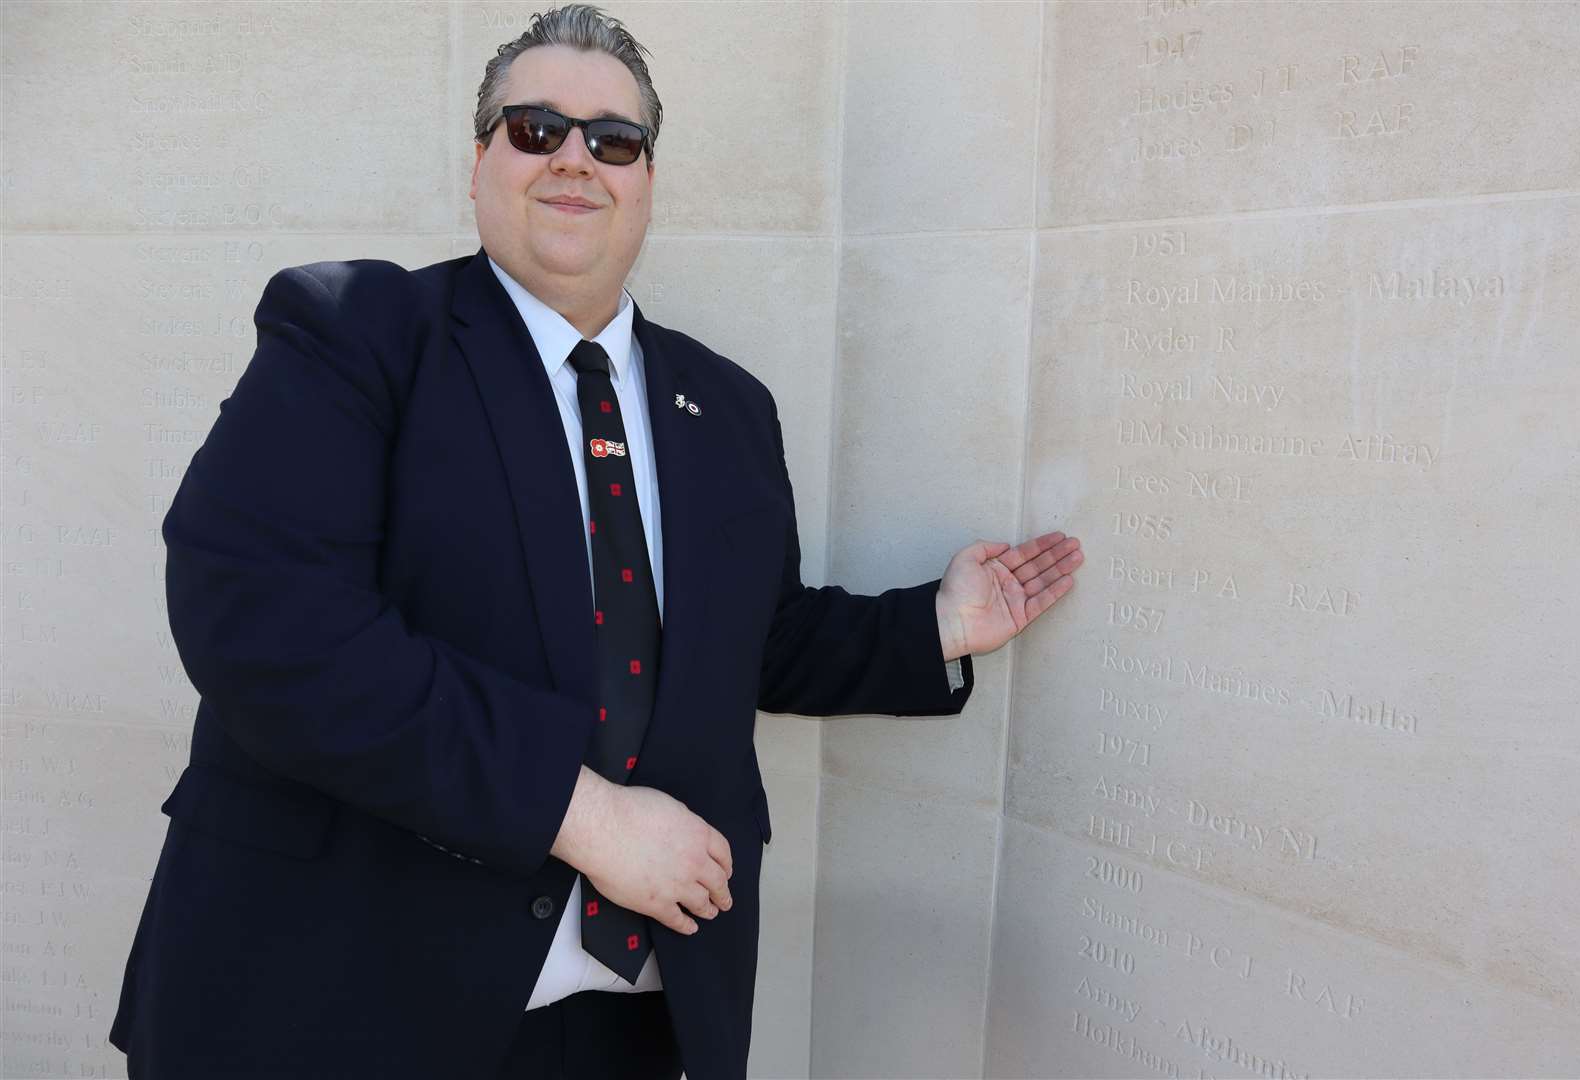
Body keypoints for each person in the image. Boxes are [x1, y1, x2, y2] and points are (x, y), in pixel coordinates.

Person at [107, 5, 1083, 1078]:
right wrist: (581, 817)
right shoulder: (355, 336)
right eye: (535, 129)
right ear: (480, 161)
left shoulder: (729, 405)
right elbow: (267, 622)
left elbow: (737, 640)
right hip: (350, 999)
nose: (576, 157)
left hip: (634, 1022)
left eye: (613, 139)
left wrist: (933, 626)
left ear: (647, 182)